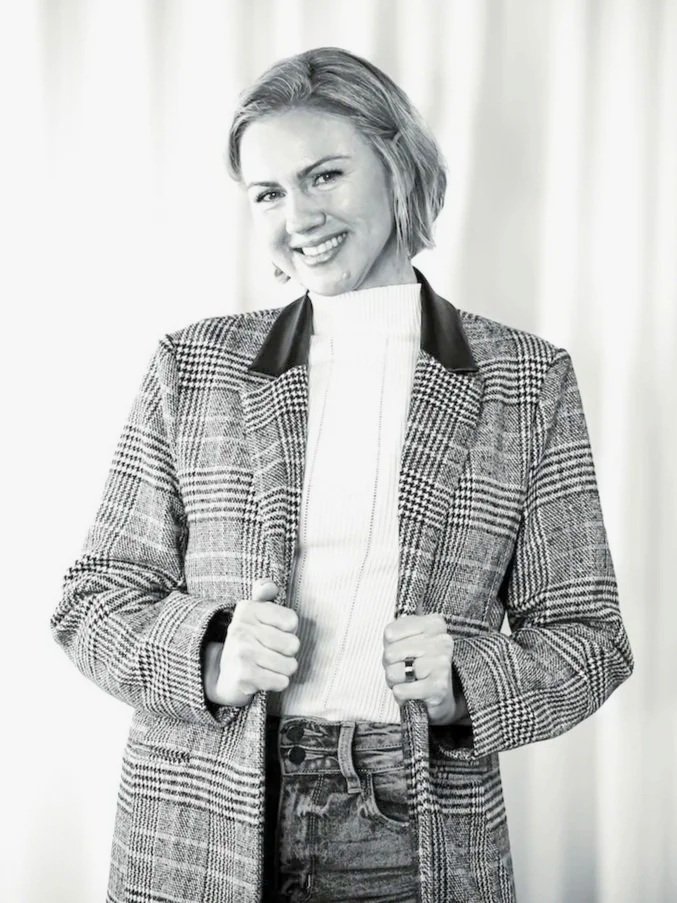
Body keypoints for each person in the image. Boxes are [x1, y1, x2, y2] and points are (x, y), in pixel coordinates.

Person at [51, 46, 634, 903]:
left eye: (324, 175)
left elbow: (588, 637)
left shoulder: (523, 381)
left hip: (416, 819)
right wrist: (210, 653)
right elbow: (92, 599)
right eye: (269, 193)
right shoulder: (196, 366)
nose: (299, 216)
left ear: (396, 167)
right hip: (199, 820)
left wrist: (466, 678)